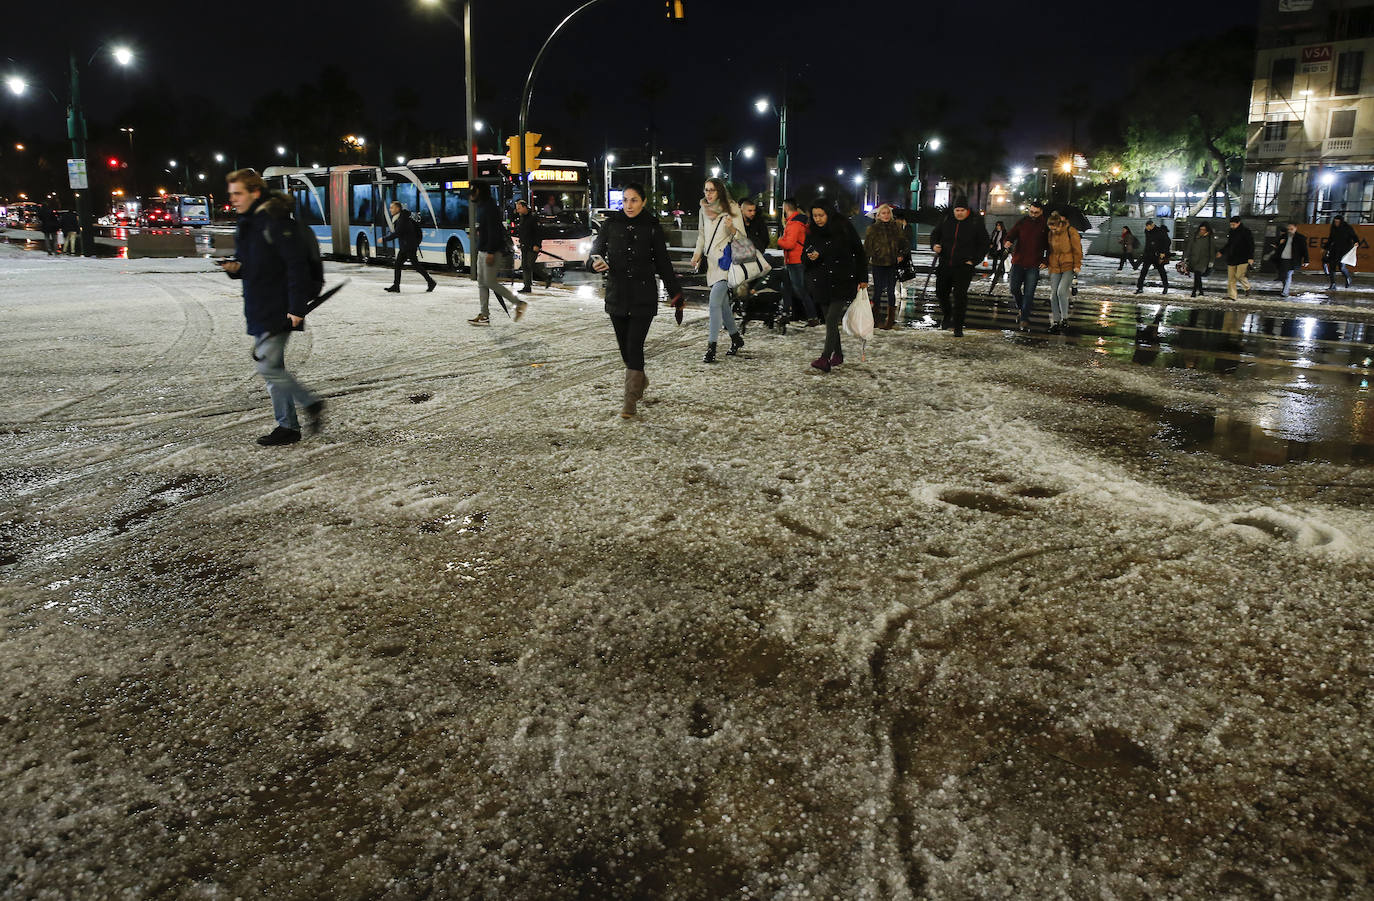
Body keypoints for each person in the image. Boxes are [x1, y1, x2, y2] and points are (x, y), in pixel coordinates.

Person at [218, 168, 324, 447]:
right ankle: (288, 425)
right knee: (271, 366)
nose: (234, 199)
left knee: (269, 366)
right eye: (231, 194)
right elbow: (255, 263)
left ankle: (306, 406)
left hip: (279, 307)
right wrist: (235, 268)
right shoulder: (250, 223)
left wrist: (296, 308)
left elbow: (296, 266)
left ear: (254, 192)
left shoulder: (275, 222)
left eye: (238, 193)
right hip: (259, 304)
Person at [590, 183, 684, 418]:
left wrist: (676, 293)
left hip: (643, 296)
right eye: (625, 200)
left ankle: (630, 400)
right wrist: (593, 264)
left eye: (633, 200)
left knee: (634, 345)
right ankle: (639, 379)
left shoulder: (652, 227)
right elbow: (594, 253)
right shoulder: (610, 225)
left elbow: (663, 262)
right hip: (617, 294)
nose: (628, 205)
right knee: (625, 349)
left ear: (643, 202)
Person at [804, 199, 867, 371]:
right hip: (822, 280)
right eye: (815, 215)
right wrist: (811, 257)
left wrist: (863, 278)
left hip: (842, 278)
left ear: (828, 213)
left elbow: (859, 252)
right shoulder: (812, 231)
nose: (818, 219)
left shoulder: (843, 227)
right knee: (829, 321)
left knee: (832, 318)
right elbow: (806, 253)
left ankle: (825, 358)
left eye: (821, 215)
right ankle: (838, 353)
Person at [690, 177, 745, 363]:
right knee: (723, 306)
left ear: (720, 191)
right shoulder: (703, 210)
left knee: (714, 303)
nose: (708, 193)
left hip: (726, 263)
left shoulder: (732, 208)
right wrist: (697, 254)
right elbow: (701, 235)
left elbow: (742, 237)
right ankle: (736, 338)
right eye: (706, 190)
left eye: (712, 190)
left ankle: (711, 348)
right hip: (711, 264)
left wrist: (732, 229)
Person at [930, 197, 989, 337]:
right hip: (945, 263)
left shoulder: (975, 223)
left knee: (960, 296)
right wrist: (934, 245)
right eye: (957, 210)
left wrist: (974, 260)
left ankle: (958, 327)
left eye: (962, 210)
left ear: (967, 210)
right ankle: (947, 314)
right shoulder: (946, 220)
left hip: (963, 266)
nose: (959, 213)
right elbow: (935, 235)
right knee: (941, 293)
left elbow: (984, 244)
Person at [469, 186, 527, 325]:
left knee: (489, 282)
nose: (470, 195)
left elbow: (494, 231)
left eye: (472, 191)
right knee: (482, 283)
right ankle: (484, 315)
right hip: (483, 249)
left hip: (492, 251)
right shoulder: (482, 207)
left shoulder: (490, 208)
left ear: (479, 191)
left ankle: (518, 303)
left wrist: (490, 252)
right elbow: (487, 228)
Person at [863, 203, 910, 330]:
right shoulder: (872, 229)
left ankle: (890, 320)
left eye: (888, 213)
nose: (886, 215)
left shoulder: (896, 227)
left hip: (892, 264)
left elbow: (905, 244)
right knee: (877, 291)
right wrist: (864, 264)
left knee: (891, 291)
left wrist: (901, 254)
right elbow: (867, 248)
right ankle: (876, 319)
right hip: (878, 264)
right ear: (878, 215)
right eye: (883, 213)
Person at [1004, 201, 1049, 330]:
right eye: (1031, 212)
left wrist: (1046, 261)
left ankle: (1024, 318)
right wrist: (1008, 241)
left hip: (1034, 264)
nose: (1033, 215)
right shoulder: (1023, 222)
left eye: (1036, 213)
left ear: (1041, 212)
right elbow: (1011, 234)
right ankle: (1021, 308)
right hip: (1018, 262)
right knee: (1014, 288)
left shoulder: (1045, 225)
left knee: (1029, 293)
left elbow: (1050, 245)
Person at [775, 198, 819, 326]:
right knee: (786, 287)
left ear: (786, 208)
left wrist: (779, 241)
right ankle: (786, 314)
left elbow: (789, 244)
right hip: (792, 261)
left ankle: (813, 317)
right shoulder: (797, 222)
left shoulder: (794, 224)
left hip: (795, 261)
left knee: (800, 289)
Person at [380, 201, 435, 294]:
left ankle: (430, 282)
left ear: (398, 209)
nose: (390, 210)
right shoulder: (401, 218)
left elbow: (397, 233)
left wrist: (384, 239)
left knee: (411, 265)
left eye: (392, 208)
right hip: (407, 245)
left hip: (408, 246)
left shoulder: (402, 219)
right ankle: (396, 286)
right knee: (400, 265)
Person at [1045, 211, 1082, 334]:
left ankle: (1064, 318)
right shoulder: (1051, 234)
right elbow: (1050, 250)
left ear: (1059, 224)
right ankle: (1056, 321)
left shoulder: (1071, 232)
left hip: (1068, 265)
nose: (1053, 231)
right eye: (1051, 229)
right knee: (1053, 294)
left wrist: (1077, 265)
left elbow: (1077, 249)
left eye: (1054, 228)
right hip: (1055, 266)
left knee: (1061, 291)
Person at [1216, 215, 1255, 300]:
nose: (1232, 226)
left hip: (1243, 257)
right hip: (1232, 257)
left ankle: (1247, 287)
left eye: (1233, 224)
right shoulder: (1231, 232)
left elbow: (1251, 245)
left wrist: (1251, 257)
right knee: (1231, 278)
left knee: (1239, 275)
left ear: (1239, 223)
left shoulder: (1246, 232)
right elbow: (1229, 244)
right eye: (1231, 224)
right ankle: (1232, 296)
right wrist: (1222, 252)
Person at [1271, 222, 1309, 298]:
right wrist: (1279, 243)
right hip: (1282, 258)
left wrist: (1306, 260)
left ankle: (1285, 292)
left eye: (1291, 229)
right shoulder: (1283, 236)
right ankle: (1285, 289)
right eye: (1288, 229)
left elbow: (1304, 250)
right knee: (1283, 276)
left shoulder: (1300, 238)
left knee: (1288, 275)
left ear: (1295, 229)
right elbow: (1275, 245)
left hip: (1293, 259)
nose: (1289, 231)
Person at [1133, 220, 1171, 295]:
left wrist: (1163, 252)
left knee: (1162, 272)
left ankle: (1165, 287)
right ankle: (1140, 288)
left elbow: (1167, 242)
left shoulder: (1160, 232)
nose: (1147, 229)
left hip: (1157, 255)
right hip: (1148, 255)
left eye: (1148, 227)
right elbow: (1149, 243)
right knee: (1143, 271)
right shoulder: (1147, 231)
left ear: (1151, 225)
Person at [513, 200, 543, 294]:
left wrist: (537, 244)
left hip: (532, 245)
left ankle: (546, 277)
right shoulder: (522, 217)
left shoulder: (533, 217)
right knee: (525, 266)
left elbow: (538, 233)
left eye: (519, 208)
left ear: (524, 207)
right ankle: (527, 286)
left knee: (530, 265)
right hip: (524, 245)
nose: (517, 211)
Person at [1324, 213, 1358, 289]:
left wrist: (1356, 242)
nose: (1336, 223)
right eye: (1335, 222)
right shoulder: (1333, 228)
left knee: (1341, 267)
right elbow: (1331, 238)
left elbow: (1354, 236)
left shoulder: (1347, 228)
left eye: (1338, 222)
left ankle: (1348, 278)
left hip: (1344, 250)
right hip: (1334, 249)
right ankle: (1333, 284)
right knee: (1331, 266)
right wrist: (1326, 247)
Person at [1183, 222, 1216, 297]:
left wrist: (1211, 261)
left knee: (1197, 274)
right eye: (1201, 229)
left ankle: (1194, 291)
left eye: (1203, 230)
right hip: (1194, 258)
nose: (1202, 231)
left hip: (1203, 260)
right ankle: (1201, 291)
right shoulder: (1195, 237)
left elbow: (1212, 250)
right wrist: (1186, 257)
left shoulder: (1209, 238)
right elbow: (1189, 247)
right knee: (1197, 276)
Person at [986, 221, 1009, 293]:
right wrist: (991, 244)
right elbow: (992, 240)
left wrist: (1007, 249)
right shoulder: (995, 232)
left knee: (1003, 262)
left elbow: (1006, 240)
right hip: (995, 249)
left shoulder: (1004, 232)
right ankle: (993, 272)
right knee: (994, 261)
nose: (998, 227)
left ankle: (1005, 273)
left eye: (999, 225)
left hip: (1001, 249)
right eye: (997, 225)